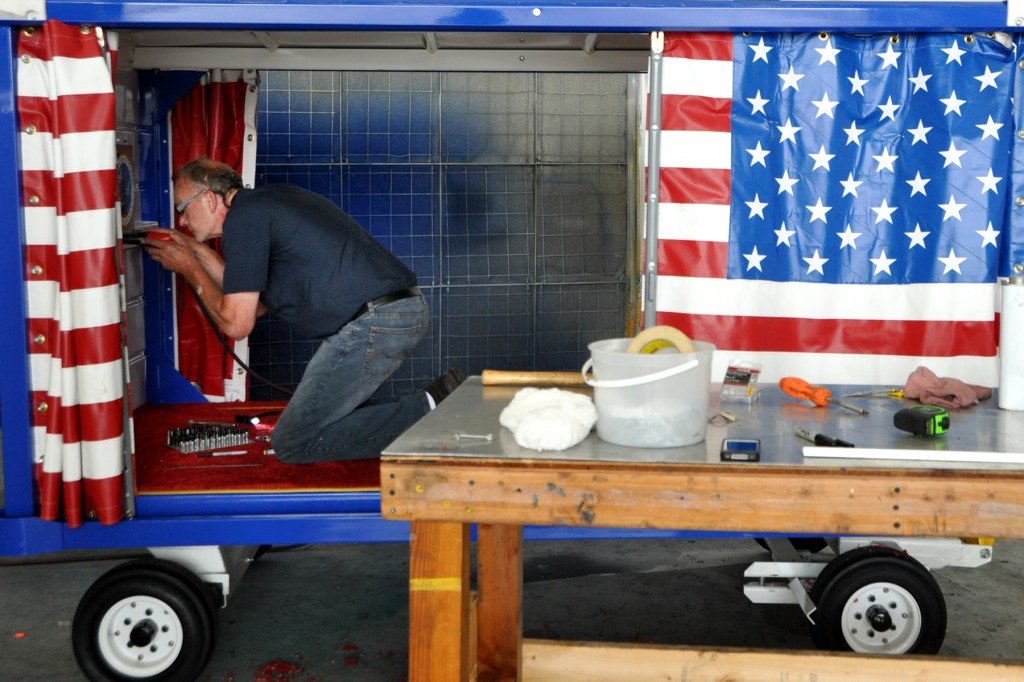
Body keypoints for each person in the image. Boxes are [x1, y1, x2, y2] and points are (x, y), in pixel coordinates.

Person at [144, 157, 464, 463]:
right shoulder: (264, 205)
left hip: (375, 321)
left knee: (292, 442)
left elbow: (237, 323)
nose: (182, 221)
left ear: (209, 199)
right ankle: (435, 401)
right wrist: (194, 252)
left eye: (183, 209)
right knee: (323, 421)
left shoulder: (243, 220)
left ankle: (431, 411)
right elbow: (249, 303)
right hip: (397, 311)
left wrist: (189, 269)